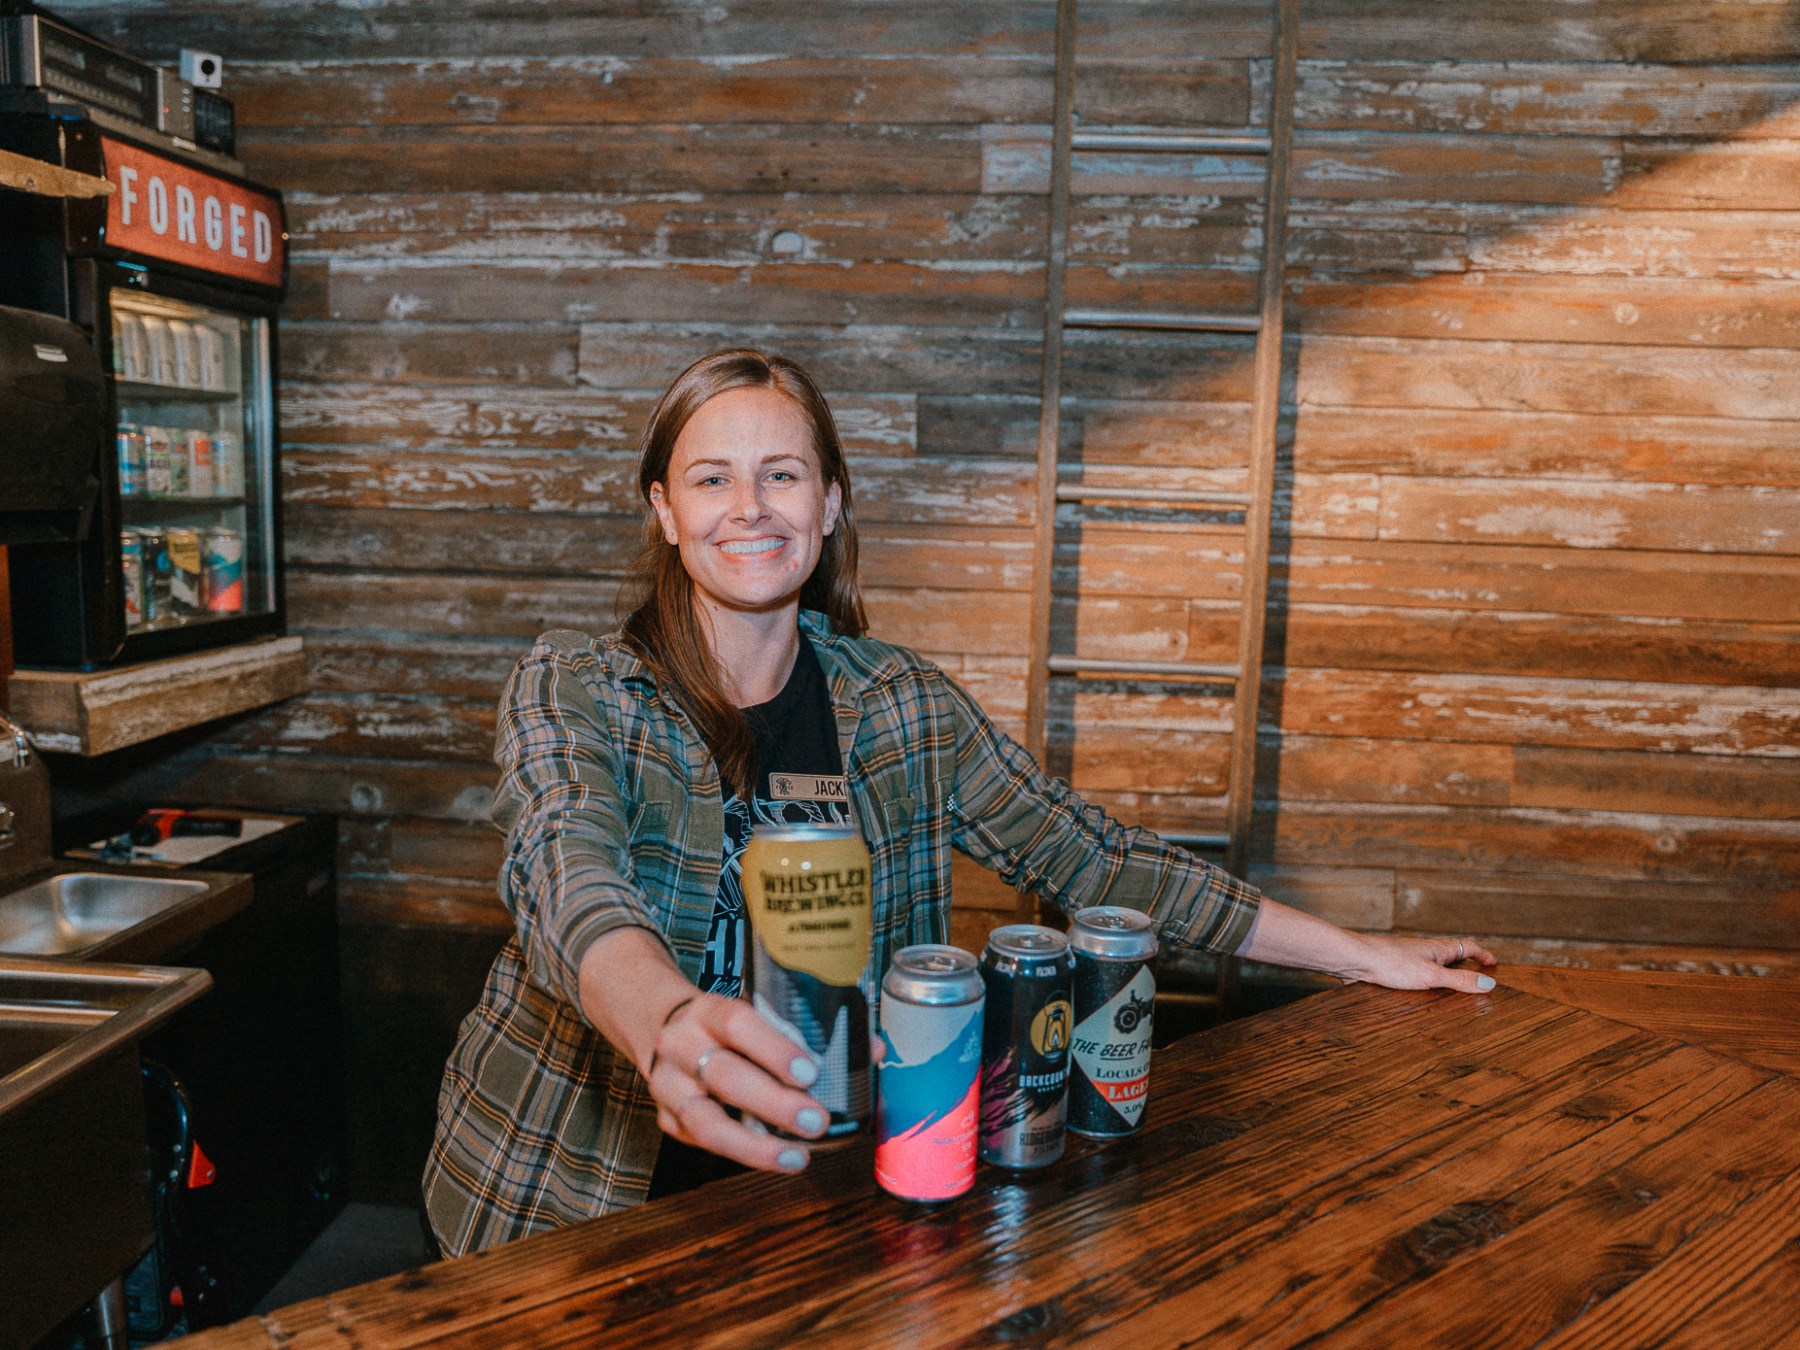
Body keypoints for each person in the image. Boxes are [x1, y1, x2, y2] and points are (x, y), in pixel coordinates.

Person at [422, 348, 1498, 1257]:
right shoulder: (577, 688)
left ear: (830, 502)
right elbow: (565, 870)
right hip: (572, 1191)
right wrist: (662, 1024)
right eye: (710, 480)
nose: (748, 507)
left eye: (782, 475)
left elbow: (1101, 861)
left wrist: (1365, 956)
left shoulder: (903, 710)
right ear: (663, 511)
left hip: (823, 1188)